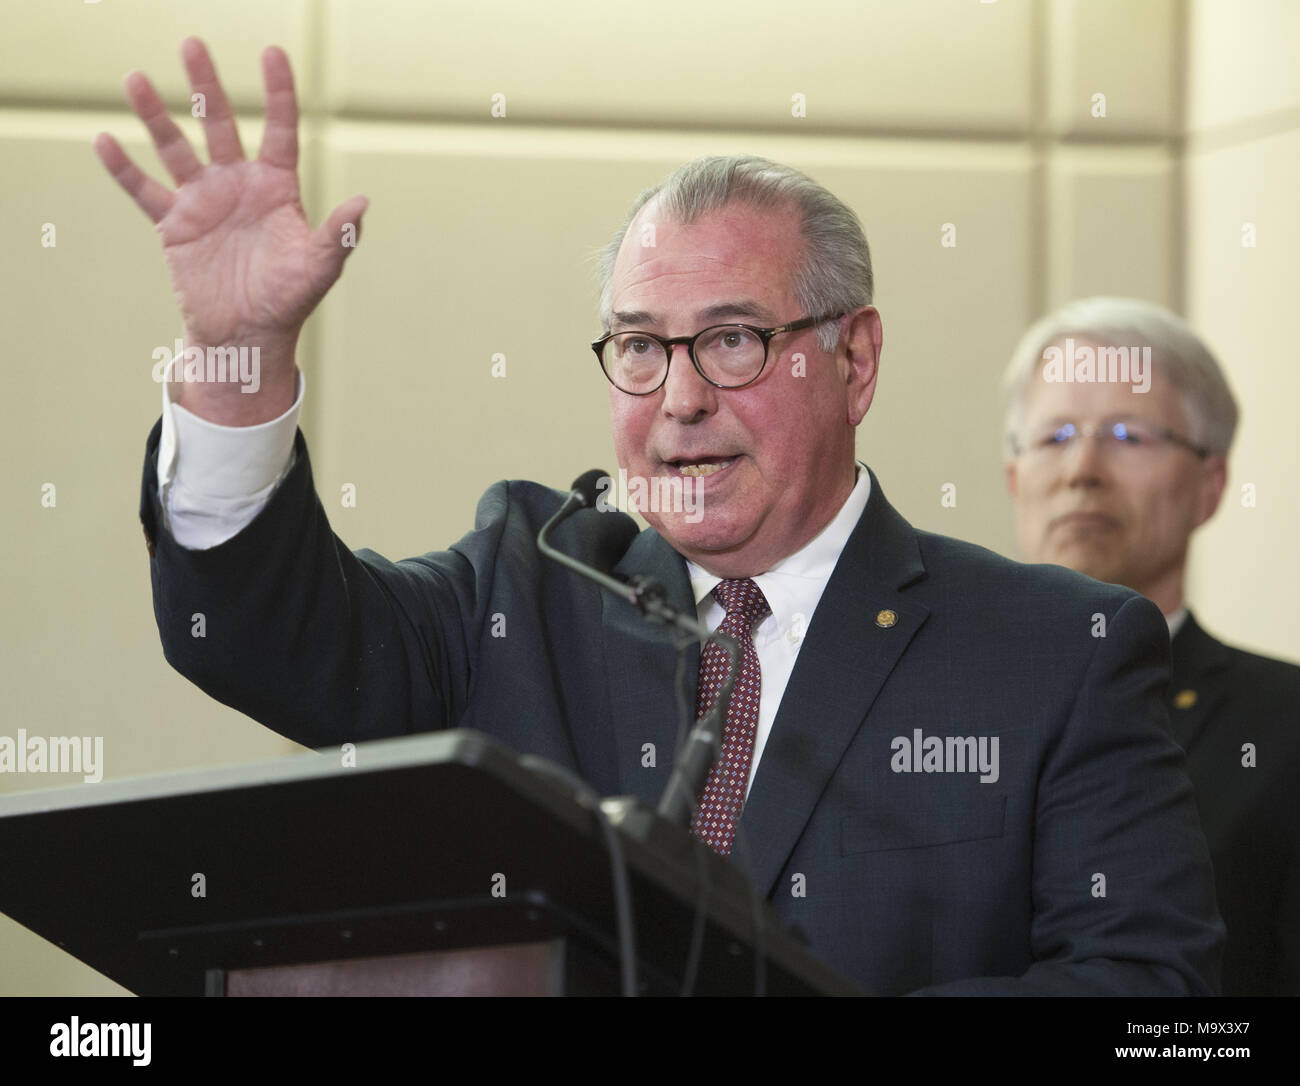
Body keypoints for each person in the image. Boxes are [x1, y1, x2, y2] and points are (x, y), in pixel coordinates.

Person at [98, 38, 1223, 995]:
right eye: (640, 346)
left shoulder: (1055, 652)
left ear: (854, 361)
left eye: (732, 340)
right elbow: (269, 639)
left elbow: (1154, 999)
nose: (679, 398)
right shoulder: (527, 583)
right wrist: (236, 360)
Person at [1003, 296, 1300, 995]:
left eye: (1128, 436)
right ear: (1014, 480)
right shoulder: (924, 698)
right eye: (1055, 436)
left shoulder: (1284, 723)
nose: (1082, 469)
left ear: (1210, 485)